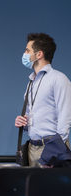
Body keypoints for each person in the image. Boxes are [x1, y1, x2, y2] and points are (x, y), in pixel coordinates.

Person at [15, 33, 71, 167]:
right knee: (32, 188)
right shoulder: (31, 82)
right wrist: (24, 123)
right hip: (32, 148)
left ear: (39, 54)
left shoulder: (59, 79)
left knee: (52, 188)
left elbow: (66, 118)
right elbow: (33, 119)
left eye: (27, 50)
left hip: (51, 149)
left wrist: (52, 153)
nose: (25, 54)